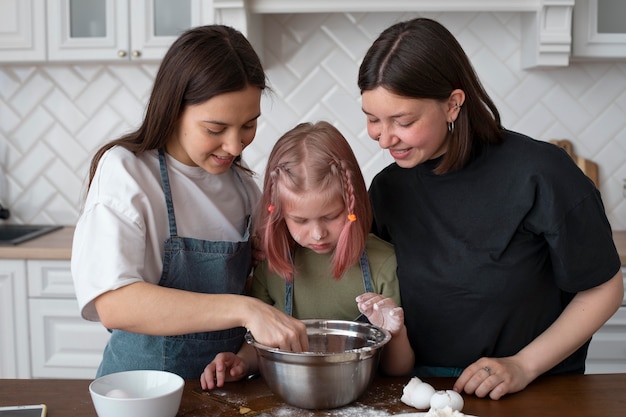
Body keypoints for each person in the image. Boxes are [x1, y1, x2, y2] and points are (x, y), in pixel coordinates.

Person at [357, 17, 624, 400]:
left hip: (532, 389)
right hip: (422, 393)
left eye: (403, 120)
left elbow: (604, 289)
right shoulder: (387, 189)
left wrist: (522, 365)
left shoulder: (542, 174)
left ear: (452, 104)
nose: (384, 138)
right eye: (372, 119)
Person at [71, 25, 308, 380]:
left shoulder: (243, 187)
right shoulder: (128, 172)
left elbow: (254, 287)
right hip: (142, 392)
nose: (234, 146)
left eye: (248, 125)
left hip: (225, 393)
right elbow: (114, 303)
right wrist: (246, 309)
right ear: (174, 108)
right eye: (215, 129)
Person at [200, 121, 415, 389]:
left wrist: (395, 332)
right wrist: (242, 363)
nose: (317, 234)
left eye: (331, 217)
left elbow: (398, 370)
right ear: (277, 213)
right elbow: (261, 346)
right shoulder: (272, 264)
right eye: (300, 220)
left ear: (353, 204)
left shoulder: (382, 263)